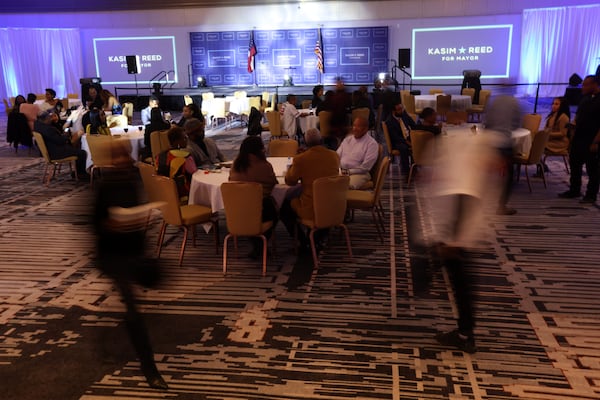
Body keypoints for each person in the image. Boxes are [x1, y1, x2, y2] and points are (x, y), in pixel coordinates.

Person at [93, 140, 168, 390]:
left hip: (133, 250)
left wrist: (142, 219)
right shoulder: (103, 186)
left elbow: (134, 213)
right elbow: (95, 225)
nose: (124, 161)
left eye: (126, 156)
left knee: (157, 278)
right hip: (112, 255)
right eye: (119, 157)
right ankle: (149, 368)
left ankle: (128, 321)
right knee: (134, 313)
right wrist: (112, 226)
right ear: (112, 161)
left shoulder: (131, 181)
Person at [280, 128, 340, 248]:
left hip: (311, 207)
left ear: (305, 142)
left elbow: (290, 181)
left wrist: (295, 163)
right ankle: (319, 235)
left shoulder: (301, 159)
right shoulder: (334, 156)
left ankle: (303, 241)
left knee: (284, 207)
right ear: (321, 140)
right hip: (333, 204)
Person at [229, 136, 279, 259]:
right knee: (279, 208)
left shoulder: (236, 164)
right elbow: (273, 183)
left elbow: (231, 182)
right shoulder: (264, 165)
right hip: (260, 211)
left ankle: (257, 245)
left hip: (237, 211)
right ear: (259, 149)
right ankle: (261, 244)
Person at [559, 75, 600, 204]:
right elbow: (578, 116)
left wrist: (596, 142)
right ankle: (574, 189)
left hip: (592, 139)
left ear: (595, 85)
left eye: (586, 85)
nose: (583, 87)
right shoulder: (585, 99)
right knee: (575, 164)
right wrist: (573, 126)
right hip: (579, 137)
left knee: (592, 169)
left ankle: (590, 195)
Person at [484, 95, 522, 215]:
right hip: (504, 142)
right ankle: (502, 206)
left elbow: (487, 122)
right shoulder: (514, 102)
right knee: (509, 176)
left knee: (485, 174)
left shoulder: (494, 100)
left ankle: (478, 203)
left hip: (490, 142)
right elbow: (516, 124)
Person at [34, 110, 88, 178]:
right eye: (49, 118)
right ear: (45, 119)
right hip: (56, 152)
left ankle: (78, 173)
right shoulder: (48, 129)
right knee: (82, 153)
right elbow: (60, 141)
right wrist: (65, 135)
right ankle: (81, 174)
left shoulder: (37, 126)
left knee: (76, 148)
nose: (51, 119)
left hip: (50, 150)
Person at [336, 117, 379, 189]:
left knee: (344, 186)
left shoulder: (371, 144)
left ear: (365, 129)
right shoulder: (347, 139)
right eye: (354, 125)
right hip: (341, 171)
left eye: (358, 126)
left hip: (360, 174)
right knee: (326, 182)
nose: (354, 128)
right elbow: (336, 156)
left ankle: (349, 200)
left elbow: (365, 167)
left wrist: (348, 172)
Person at [156, 126, 197, 200]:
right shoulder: (185, 156)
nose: (187, 140)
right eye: (184, 138)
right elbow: (194, 173)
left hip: (164, 192)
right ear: (177, 142)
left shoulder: (159, 156)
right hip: (183, 193)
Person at [538, 96, 571, 175]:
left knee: (537, 146)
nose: (553, 105)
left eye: (556, 104)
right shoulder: (552, 115)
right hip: (551, 139)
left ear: (562, 106)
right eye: (553, 103)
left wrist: (548, 134)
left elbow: (563, 134)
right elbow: (547, 128)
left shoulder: (563, 117)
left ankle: (542, 167)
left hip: (559, 143)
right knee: (534, 144)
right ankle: (542, 166)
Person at [385, 99, 416, 176]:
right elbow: (395, 137)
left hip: (407, 137)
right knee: (403, 148)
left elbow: (414, 125)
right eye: (399, 110)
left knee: (418, 142)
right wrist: (408, 142)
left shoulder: (403, 114)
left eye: (402, 108)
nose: (401, 111)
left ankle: (415, 167)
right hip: (397, 142)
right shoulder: (390, 121)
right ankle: (407, 172)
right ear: (393, 111)